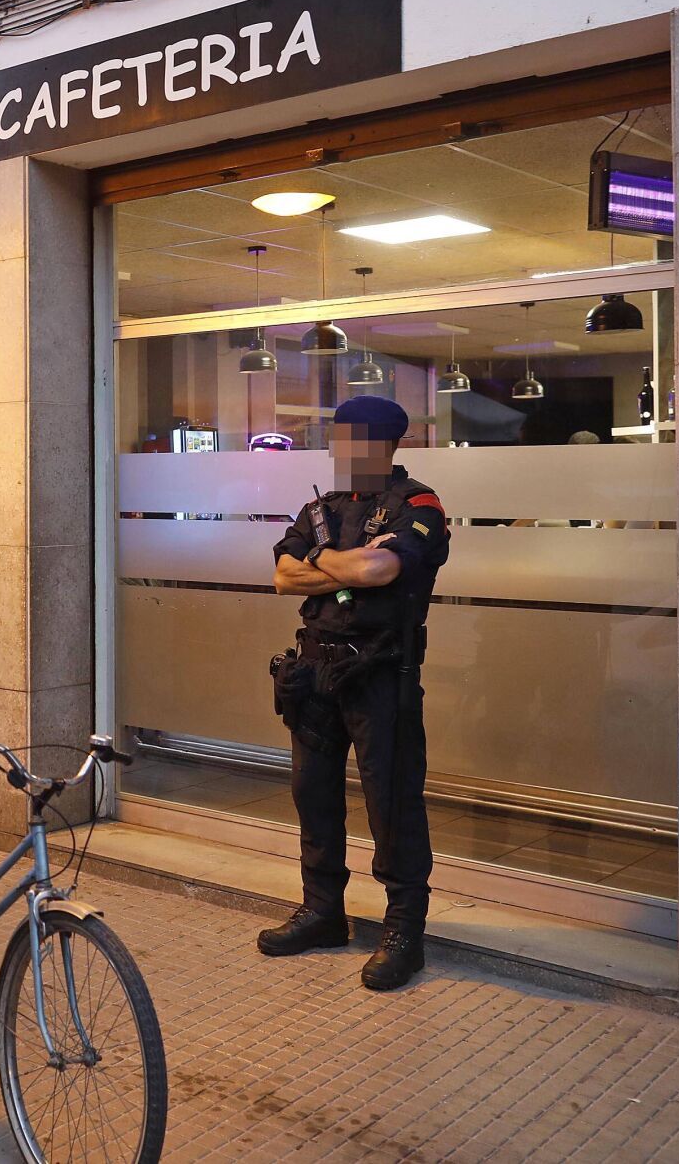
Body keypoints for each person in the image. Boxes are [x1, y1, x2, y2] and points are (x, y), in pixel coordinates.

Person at [263, 394, 449, 991]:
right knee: (312, 795)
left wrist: (320, 558)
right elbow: (282, 576)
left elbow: (380, 570)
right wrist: (342, 562)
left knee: (392, 803)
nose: (343, 449)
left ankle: (404, 932)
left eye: (354, 439)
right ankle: (323, 912)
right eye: (339, 439)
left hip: (380, 675)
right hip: (314, 674)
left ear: (384, 445)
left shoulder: (418, 504)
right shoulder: (321, 507)